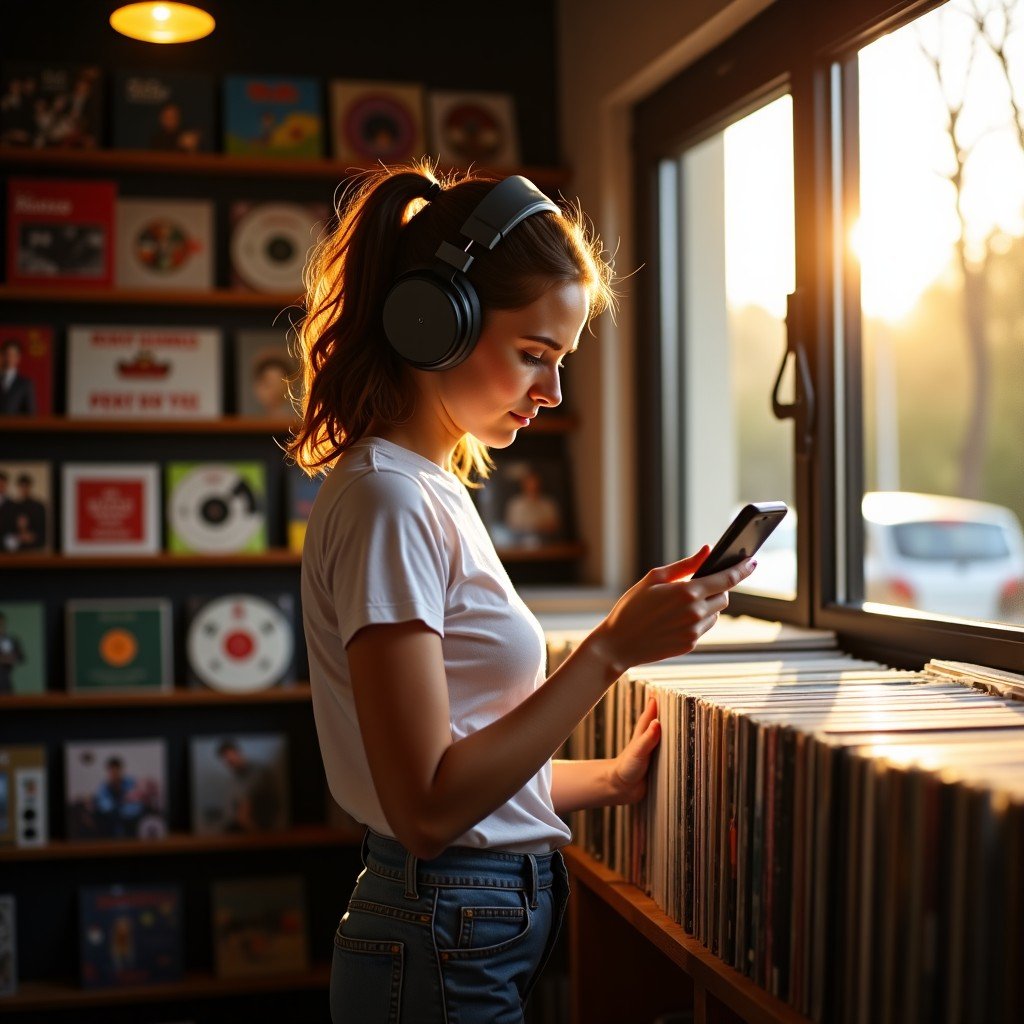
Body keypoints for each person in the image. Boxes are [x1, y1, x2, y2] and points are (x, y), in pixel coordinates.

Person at [288, 163, 756, 1024]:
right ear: (433, 323)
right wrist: (611, 649)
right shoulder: (390, 501)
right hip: (441, 925)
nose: (553, 393)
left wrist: (605, 782)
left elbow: (468, 766)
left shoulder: (428, 492)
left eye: (562, 359)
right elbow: (428, 810)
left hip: (468, 920)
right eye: (535, 355)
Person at [215, 738, 283, 832]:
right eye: (226, 760)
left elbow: (246, 807)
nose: (229, 761)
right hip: (248, 824)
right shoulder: (235, 778)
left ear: (237, 752)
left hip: (264, 823)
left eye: (230, 757)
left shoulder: (258, 772)